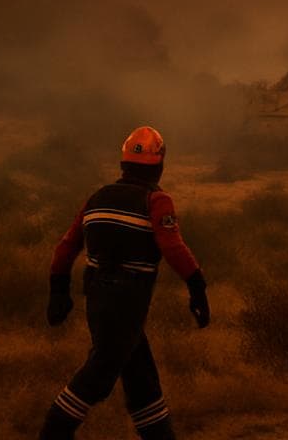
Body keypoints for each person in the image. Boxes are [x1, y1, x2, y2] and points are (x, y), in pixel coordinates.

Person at [39, 126, 208, 440]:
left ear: (123, 163)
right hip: (128, 301)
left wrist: (58, 291)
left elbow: (65, 248)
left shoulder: (97, 197)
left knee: (141, 379)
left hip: (97, 297)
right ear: (160, 164)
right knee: (100, 374)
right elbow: (172, 247)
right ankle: (52, 434)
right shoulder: (157, 201)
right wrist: (197, 287)